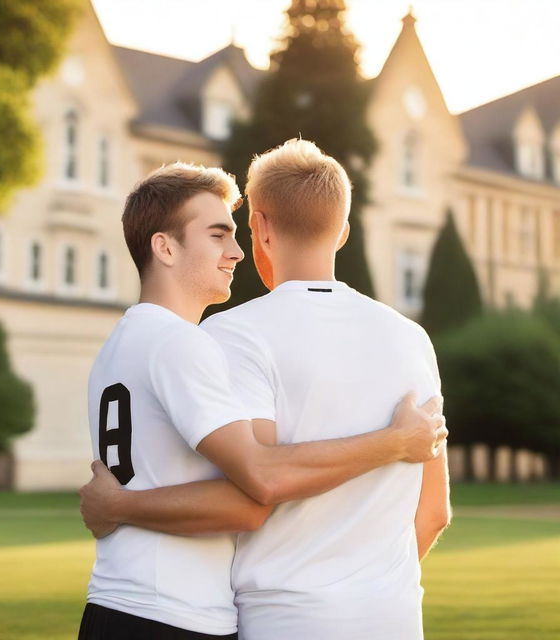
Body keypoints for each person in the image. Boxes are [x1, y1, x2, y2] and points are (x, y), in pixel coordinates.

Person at [78, 156, 447, 640]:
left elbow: (257, 489)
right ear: (343, 232)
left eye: (234, 233)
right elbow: (435, 512)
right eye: (216, 235)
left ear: (260, 227)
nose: (234, 251)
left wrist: (119, 506)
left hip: (275, 618)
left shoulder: (208, 336)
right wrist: (396, 445)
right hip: (392, 619)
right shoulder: (413, 338)